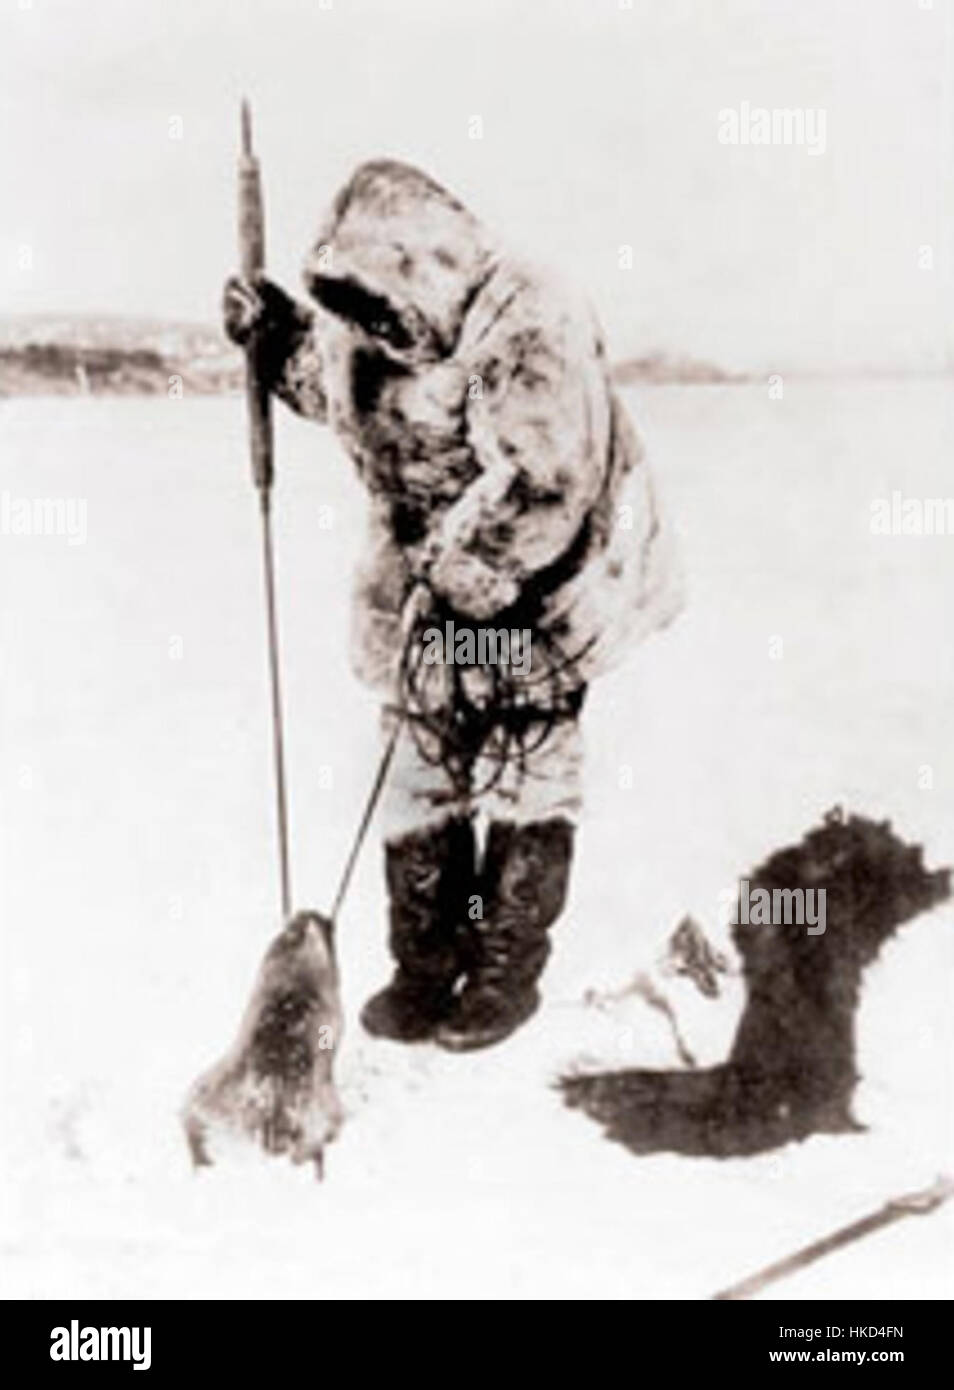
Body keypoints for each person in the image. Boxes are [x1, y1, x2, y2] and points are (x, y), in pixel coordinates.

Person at [223, 159, 682, 1050]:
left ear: (424, 265)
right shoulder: (368, 318)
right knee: (418, 761)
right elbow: (335, 390)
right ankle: (425, 968)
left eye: (386, 307)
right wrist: (275, 340)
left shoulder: (528, 314)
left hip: (545, 581)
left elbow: (550, 481)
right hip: (423, 578)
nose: (377, 329)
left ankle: (504, 975)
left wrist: (464, 576)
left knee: (524, 756)